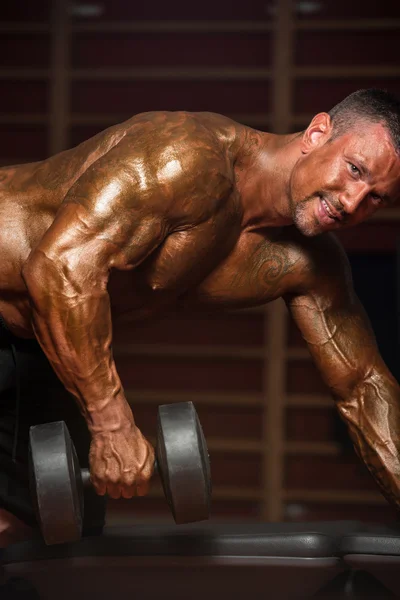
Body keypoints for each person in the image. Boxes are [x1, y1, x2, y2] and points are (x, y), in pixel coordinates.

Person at [0, 88, 399, 547]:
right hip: (33, 293)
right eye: (355, 170)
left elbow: (365, 388)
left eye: (376, 198)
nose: (353, 202)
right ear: (317, 132)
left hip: (33, 339)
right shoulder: (186, 158)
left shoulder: (309, 265)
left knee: (56, 526)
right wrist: (111, 425)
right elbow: (59, 268)